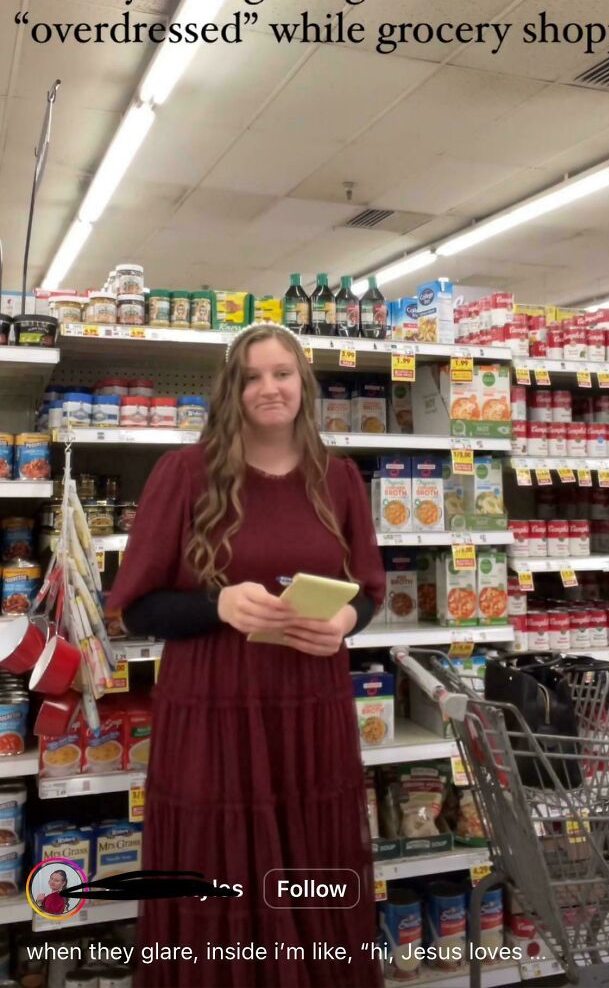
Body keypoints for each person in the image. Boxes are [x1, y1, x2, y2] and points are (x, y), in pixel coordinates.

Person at [108, 323, 385, 988]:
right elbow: (137, 605)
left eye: (282, 373)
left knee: (312, 861)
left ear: (303, 384)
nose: (269, 387)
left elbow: (371, 588)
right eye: (252, 376)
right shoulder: (184, 473)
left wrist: (347, 618)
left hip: (309, 711)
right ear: (232, 390)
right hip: (213, 714)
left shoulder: (339, 477)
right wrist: (217, 605)